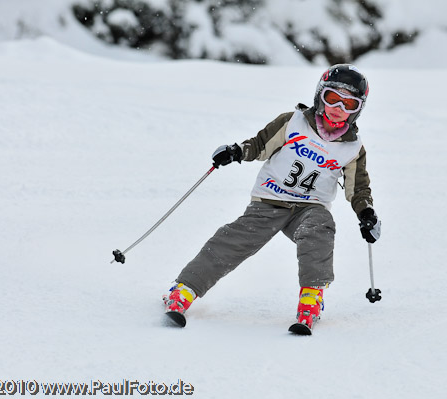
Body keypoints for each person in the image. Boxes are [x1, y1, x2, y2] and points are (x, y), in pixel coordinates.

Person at [163, 64, 381, 332]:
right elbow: (258, 145)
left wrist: (366, 213)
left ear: (358, 110)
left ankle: (311, 297)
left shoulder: (352, 149)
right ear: (319, 96)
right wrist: (235, 152)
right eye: (332, 98)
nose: (338, 108)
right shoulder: (292, 122)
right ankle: (185, 288)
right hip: (270, 201)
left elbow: (358, 189)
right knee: (233, 239)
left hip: (309, 207)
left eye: (349, 104)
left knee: (319, 230)